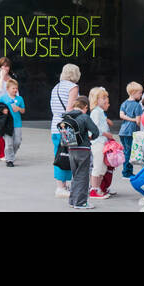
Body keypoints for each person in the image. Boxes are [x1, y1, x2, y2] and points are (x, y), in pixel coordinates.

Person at [59, 95, 100, 211]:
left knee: (76, 175)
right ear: (85, 106)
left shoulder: (67, 116)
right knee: (83, 176)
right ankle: (81, 203)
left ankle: (73, 200)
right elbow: (96, 131)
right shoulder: (84, 117)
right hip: (83, 149)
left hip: (71, 149)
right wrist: (91, 138)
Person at [50, 64, 80, 198]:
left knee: (59, 154)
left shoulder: (56, 87)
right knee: (67, 156)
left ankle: (61, 185)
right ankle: (61, 188)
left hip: (55, 125)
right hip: (66, 127)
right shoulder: (73, 87)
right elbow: (70, 109)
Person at [88, 86, 118, 198]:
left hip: (102, 142)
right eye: (103, 97)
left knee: (103, 167)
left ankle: (99, 188)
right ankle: (94, 190)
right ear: (96, 99)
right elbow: (94, 128)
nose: (106, 100)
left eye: (106, 97)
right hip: (98, 143)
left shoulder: (100, 112)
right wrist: (106, 134)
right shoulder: (96, 112)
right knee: (98, 166)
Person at [0, 77, 25, 167]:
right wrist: (3, 110)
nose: (15, 90)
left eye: (16, 88)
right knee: (9, 143)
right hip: (7, 124)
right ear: (7, 89)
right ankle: (9, 160)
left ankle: (11, 155)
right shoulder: (3, 98)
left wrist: (19, 108)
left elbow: (23, 111)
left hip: (17, 123)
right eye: (13, 88)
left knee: (17, 142)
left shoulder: (20, 99)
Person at [118, 81, 144, 179]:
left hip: (123, 131)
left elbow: (121, 115)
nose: (141, 95)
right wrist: (136, 122)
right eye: (140, 93)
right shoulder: (137, 105)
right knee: (129, 152)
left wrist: (129, 118)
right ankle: (127, 172)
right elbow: (138, 121)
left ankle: (126, 171)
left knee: (126, 151)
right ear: (133, 93)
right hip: (131, 132)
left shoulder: (124, 103)